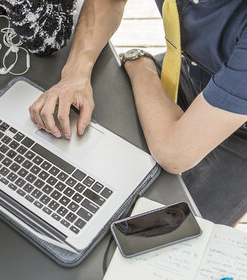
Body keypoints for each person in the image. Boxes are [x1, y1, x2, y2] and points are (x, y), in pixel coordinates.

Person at [29, 0, 247, 226]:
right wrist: (76, 74)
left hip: (241, 132)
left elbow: (174, 153)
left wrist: (139, 63)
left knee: (158, 234)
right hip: (196, 68)